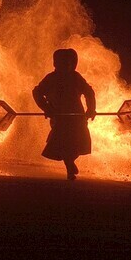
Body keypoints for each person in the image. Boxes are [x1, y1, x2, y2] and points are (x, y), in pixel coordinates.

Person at [33, 48, 97, 180]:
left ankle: (70, 162)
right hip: (59, 117)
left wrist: (91, 109)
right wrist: (47, 108)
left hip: (77, 117)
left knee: (78, 142)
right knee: (63, 141)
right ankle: (69, 165)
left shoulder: (75, 77)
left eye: (70, 62)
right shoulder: (51, 78)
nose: (67, 65)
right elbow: (37, 92)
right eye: (64, 62)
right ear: (56, 63)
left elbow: (89, 93)